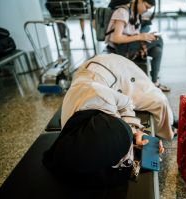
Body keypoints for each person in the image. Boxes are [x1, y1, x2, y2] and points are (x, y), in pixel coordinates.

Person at [43, 53, 173, 186]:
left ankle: (170, 129)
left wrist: (135, 131)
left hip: (112, 68)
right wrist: (135, 158)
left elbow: (126, 103)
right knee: (159, 103)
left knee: (160, 102)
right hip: (94, 81)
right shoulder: (80, 151)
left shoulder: (100, 97)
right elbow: (115, 162)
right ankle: (168, 127)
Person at [105, 0, 171, 92]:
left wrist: (143, 36)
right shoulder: (122, 12)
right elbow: (116, 38)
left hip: (128, 45)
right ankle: (154, 82)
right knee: (159, 40)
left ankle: (155, 82)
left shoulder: (135, 13)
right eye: (146, 7)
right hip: (120, 48)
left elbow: (132, 32)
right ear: (140, 1)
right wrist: (140, 36)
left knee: (157, 51)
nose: (146, 10)